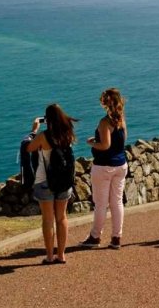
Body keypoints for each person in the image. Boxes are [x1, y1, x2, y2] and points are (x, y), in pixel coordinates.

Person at [25, 104, 78, 263]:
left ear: (47, 119)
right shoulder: (68, 133)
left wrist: (33, 130)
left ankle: (49, 256)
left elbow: (29, 148)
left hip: (44, 181)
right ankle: (61, 255)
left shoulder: (43, 136)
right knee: (62, 218)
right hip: (64, 180)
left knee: (48, 219)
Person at [82, 87, 128, 249]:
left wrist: (92, 143)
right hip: (121, 165)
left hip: (104, 166)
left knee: (101, 203)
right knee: (117, 202)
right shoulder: (121, 118)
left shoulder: (104, 122)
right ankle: (116, 237)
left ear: (105, 102)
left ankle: (95, 237)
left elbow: (105, 145)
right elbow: (121, 139)